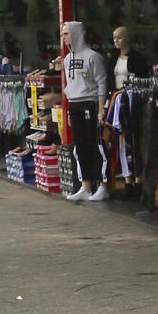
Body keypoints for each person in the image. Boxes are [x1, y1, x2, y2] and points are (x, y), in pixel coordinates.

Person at [58, 21, 110, 202]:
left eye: (66, 33)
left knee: (95, 144)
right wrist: (68, 112)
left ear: (76, 34)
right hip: (75, 105)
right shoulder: (66, 59)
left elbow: (102, 82)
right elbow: (69, 85)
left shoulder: (93, 57)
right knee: (79, 146)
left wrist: (101, 109)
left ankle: (102, 185)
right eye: (63, 34)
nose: (63, 37)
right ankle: (86, 186)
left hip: (91, 103)